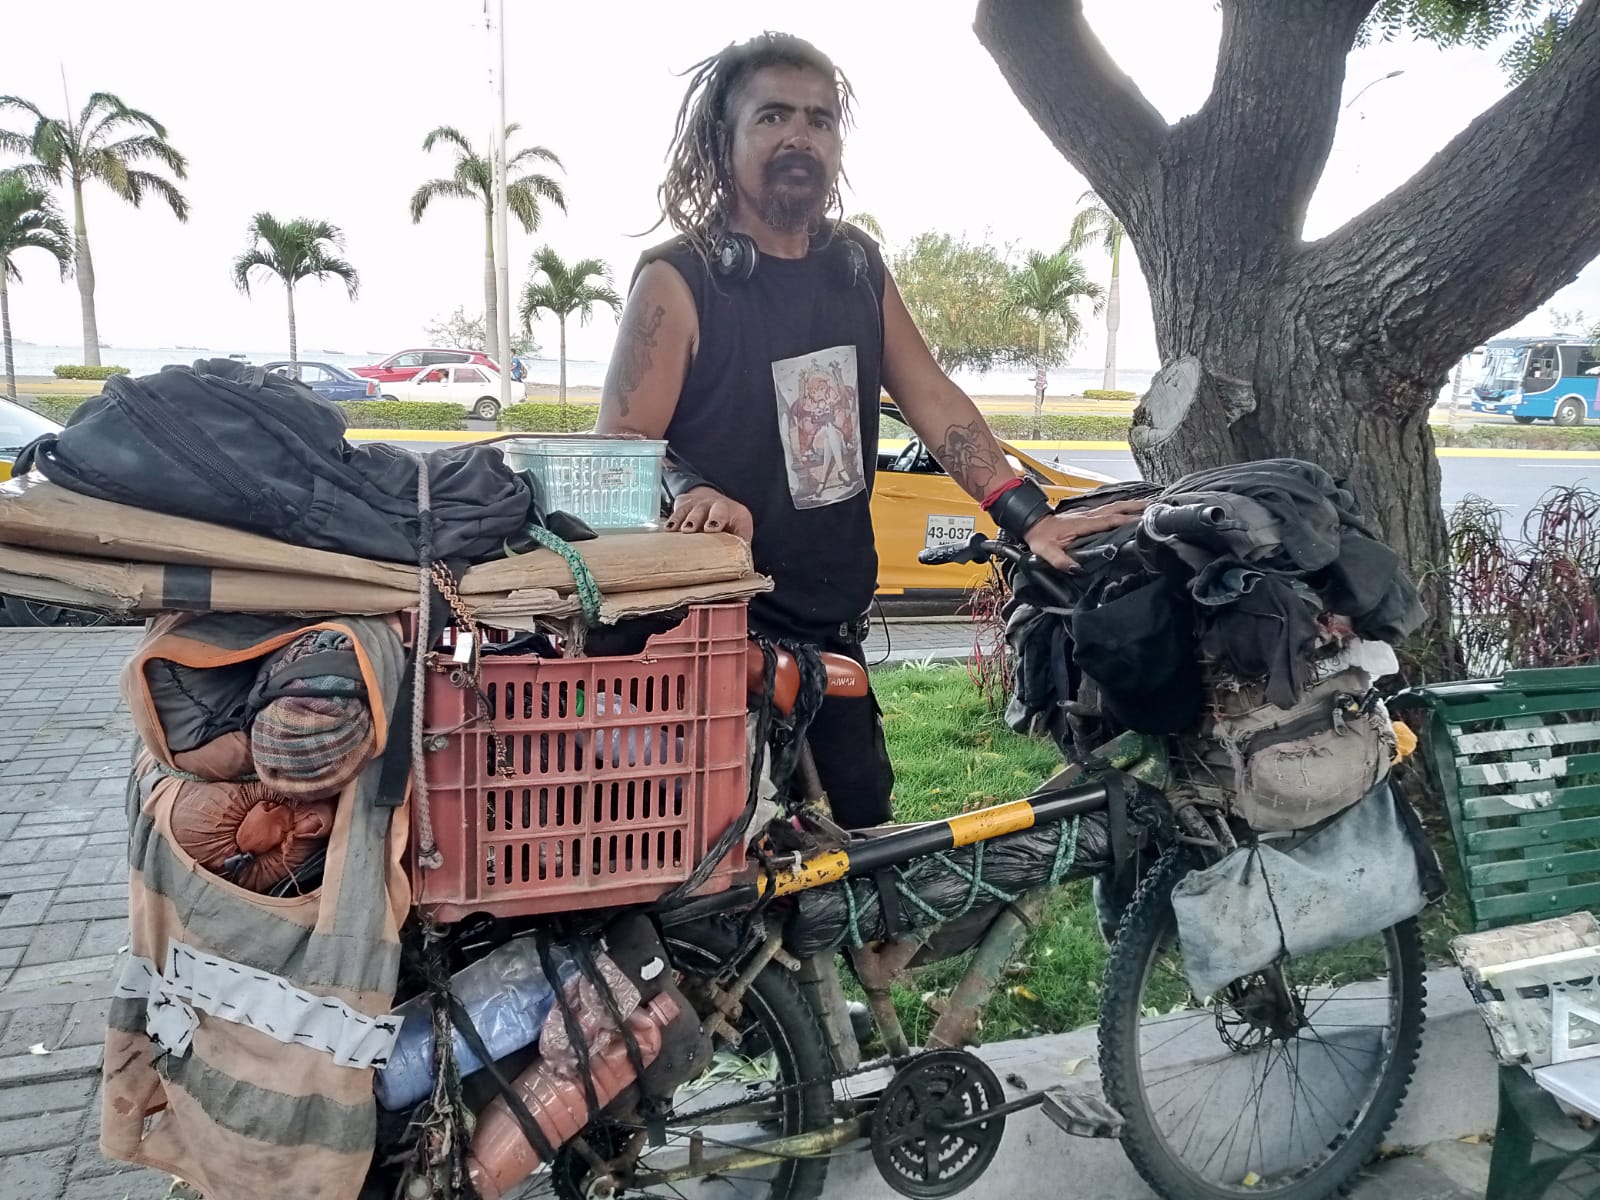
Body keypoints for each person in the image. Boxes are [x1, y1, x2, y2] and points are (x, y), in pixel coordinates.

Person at [597, 33, 1142, 829]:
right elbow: (617, 451)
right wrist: (694, 489)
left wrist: (1028, 515)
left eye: (819, 120)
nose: (799, 136)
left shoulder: (856, 266)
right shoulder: (679, 281)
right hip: (707, 634)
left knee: (857, 847)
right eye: (773, 115)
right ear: (725, 137)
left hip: (829, 627)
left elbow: (932, 397)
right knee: (700, 872)